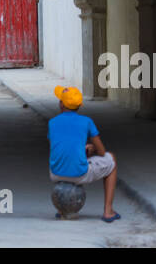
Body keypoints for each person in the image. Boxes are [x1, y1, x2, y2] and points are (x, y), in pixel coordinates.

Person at [48, 86, 120, 222]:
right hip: (79, 174)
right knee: (111, 159)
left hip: (55, 173)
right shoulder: (87, 122)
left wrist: (81, 149)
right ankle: (108, 211)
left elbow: (60, 147)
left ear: (61, 104)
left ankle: (61, 209)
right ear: (79, 106)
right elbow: (102, 152)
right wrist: (90, 148)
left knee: (65, 159)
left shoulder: (52, 123)